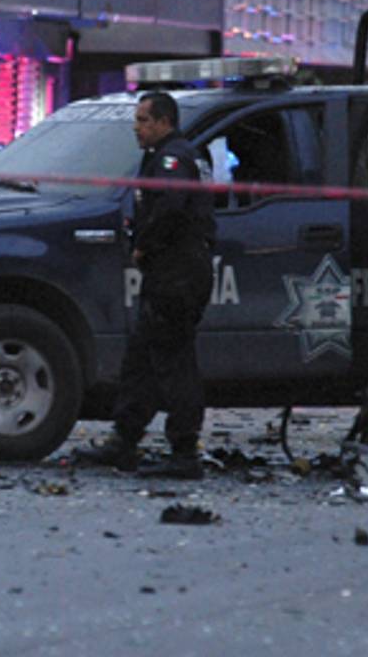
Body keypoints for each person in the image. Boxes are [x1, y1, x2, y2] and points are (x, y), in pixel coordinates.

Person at [82, 91, 216, 479]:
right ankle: (124, 440)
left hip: (177, 272)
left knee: (173, 362)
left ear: (163, 122)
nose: (136, 128)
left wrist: (145, 245)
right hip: (172, 272)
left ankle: (185, 452)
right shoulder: (173, 156)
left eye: (143, 120)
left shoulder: (173, 158)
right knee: (141, 359)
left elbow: (171, 208)